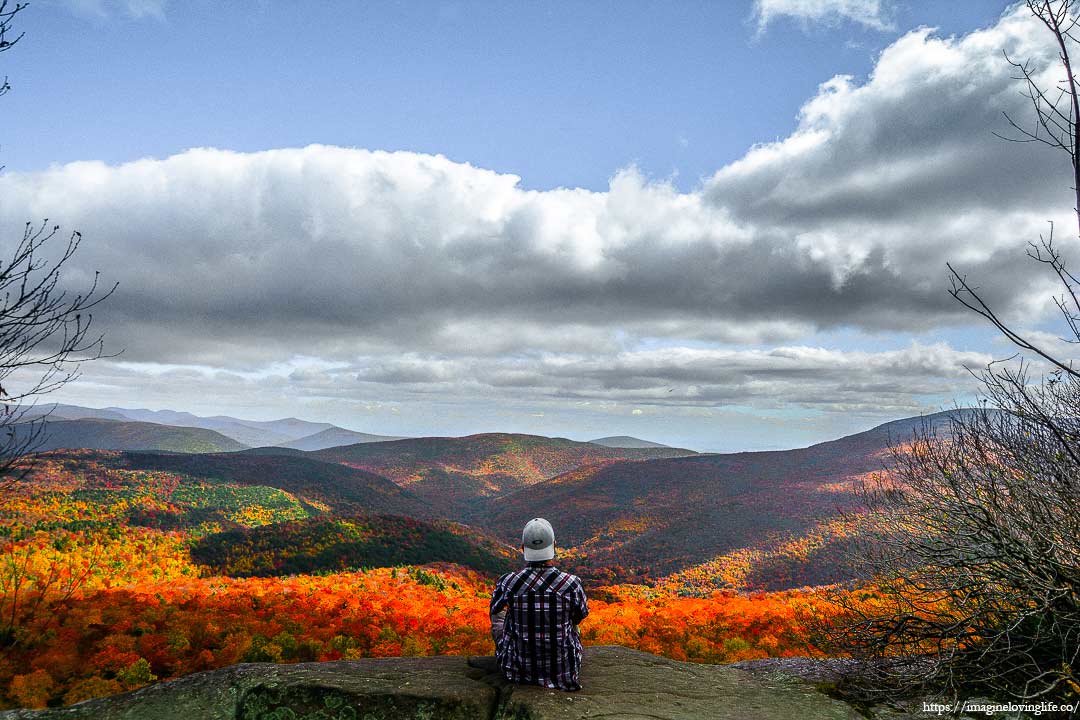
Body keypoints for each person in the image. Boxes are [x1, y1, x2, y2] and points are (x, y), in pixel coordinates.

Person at [489, 517, 589, 691]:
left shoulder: (509, 582)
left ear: (522, 548)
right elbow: (580, 616)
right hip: (564, 671)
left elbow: (494, 609)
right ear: (554, 545)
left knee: (499, 614)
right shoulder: (572, 583)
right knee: (572, 620)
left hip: (516, 672)